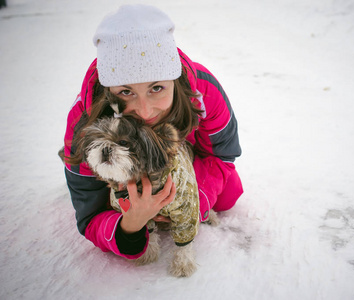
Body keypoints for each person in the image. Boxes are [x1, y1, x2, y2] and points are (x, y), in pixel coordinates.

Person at [63, 4, 243, 260]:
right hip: (123, 183)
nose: (145, 111)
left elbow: (223, 156)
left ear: (174, 77)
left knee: (228, 195)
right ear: (109, 91)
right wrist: (131, 222)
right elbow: (89, 214)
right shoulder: (84, 117)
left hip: (187, 169)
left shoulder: (205, 90)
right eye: (126, 92)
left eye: (157, 87)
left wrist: (194, 198)